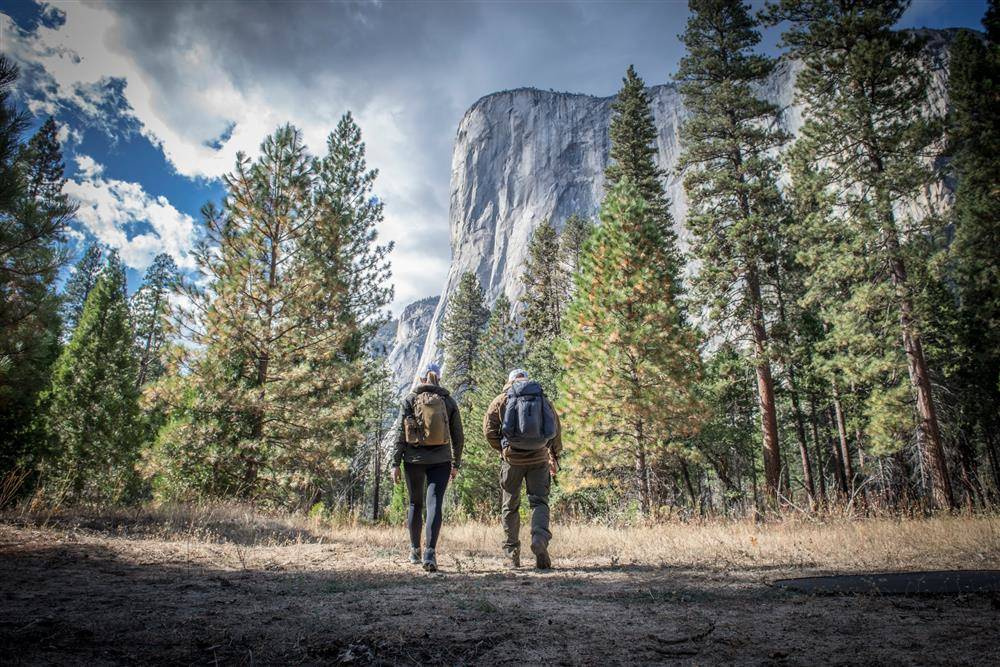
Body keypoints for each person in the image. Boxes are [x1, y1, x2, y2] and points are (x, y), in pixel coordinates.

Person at [483, 368, 561, 569]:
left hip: (512, 461)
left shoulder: (501, 400)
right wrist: (554, 456)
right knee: (539, 502)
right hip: (539, 459)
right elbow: (555, 429)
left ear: (510, 381)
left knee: (510, 506)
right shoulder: (542, 398)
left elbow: (489, 431)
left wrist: (503, 449)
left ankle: (512, 555)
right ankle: (539, 540)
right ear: (527, 380)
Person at [392, 362, 463, 572]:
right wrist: (456, 463)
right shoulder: (448, 400)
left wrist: (395, 463)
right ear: (438, 378)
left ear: (422, 378)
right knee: (435, 504)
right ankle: (430, 553)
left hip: (413, 460)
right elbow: (458, 436)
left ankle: (415, 550)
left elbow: (400, 434)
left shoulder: (410, 399)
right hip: (441, 461)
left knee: (415, 504)